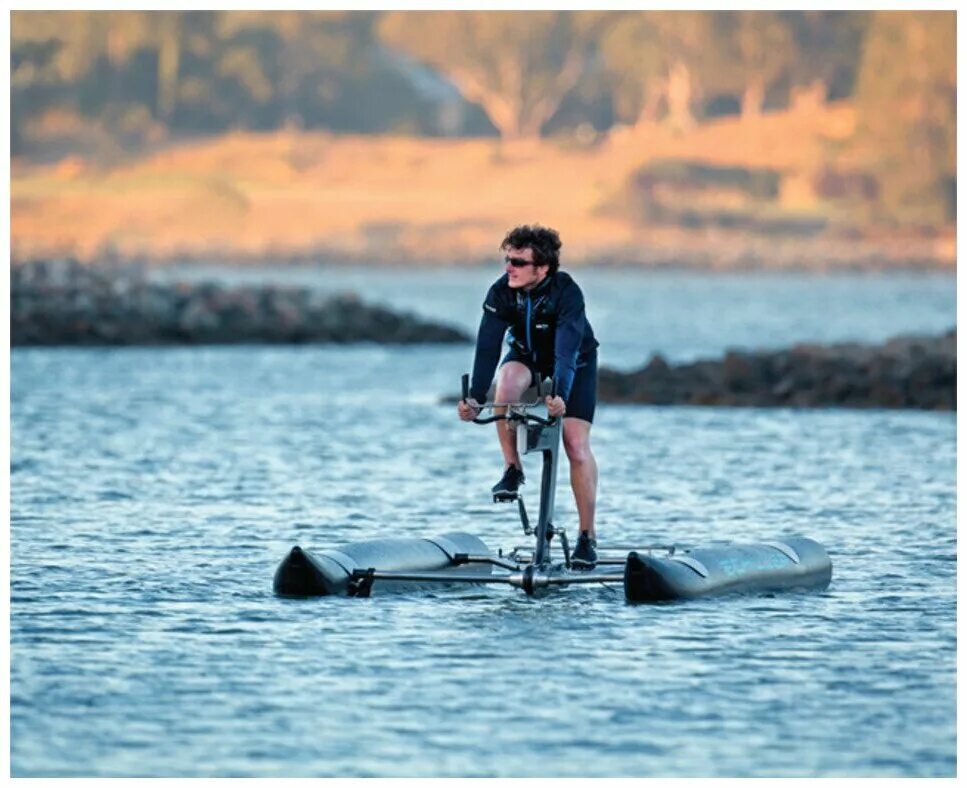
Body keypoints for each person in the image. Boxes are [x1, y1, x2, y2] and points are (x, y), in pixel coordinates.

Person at [457, 225, 600, 569]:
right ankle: (512, 469)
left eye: (519, 262)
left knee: (575, 445)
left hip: (575, 361)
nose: (509, 267)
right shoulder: (501, 292)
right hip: (527, 357)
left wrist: (560, 396)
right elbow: (488, 346)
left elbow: (566, 352)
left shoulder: (567, 293)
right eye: (507, 259)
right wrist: (475, 398)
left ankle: (586, 537)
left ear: (543, 268)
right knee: (505, 382)